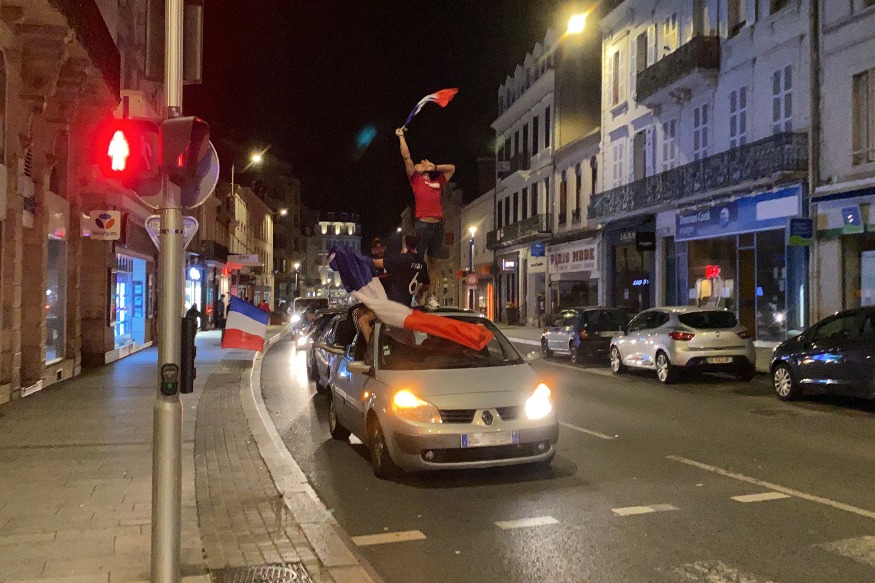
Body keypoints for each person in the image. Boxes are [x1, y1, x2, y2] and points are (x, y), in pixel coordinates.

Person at [395, 127, 454, 308]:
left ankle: (431, 296)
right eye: (419, 164)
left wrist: (434, 167)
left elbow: (451, 168)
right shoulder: (416, 180)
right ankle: (412, 293)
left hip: (438, 226)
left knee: (434, 263)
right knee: (417, 262)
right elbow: (407, 158)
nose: (420, 164)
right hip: (422, 226)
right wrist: (401, 136)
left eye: (422, 163)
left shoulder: (437, 182)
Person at [372, 232, 430, 307]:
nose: (379, 250)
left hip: (391, 303)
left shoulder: (400, 259)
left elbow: (376, 263)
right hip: (405, 304)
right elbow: (426, 284)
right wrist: (420, 293)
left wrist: (360, 260)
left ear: (405, 242)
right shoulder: (422, 263)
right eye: (376, 248)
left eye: (381, 247)